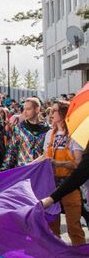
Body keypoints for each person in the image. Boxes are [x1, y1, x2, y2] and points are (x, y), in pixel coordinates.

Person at [40, 100, 85, 246]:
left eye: (54, 111)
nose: (50, 113)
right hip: (51, 183)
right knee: (52, 227)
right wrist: (26, 167)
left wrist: (57, 163)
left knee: (73, 226)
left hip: (69, 184)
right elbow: (44, 157)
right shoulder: (49, 134)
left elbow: (79, 164)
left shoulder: (74, 136)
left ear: (63, 113)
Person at [1, 97, 48, 170]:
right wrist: (4, 169)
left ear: (37, 109)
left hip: (41, 171)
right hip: (23, 172)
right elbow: (12, 150)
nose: (25, 112)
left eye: (28, 109)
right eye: (24, 109)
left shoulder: (48, 130)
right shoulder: (19, 128)